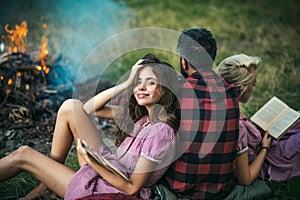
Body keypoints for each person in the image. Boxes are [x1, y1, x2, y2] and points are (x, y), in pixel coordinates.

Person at [0, 54, 180, 199]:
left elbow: (131, 188)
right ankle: (48, 186)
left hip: (108, 189)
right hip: (108, 169)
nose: (141, 87)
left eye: (150, 82)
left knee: (23, 154)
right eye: (138, 82)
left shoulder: (160, 132)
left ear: (165, 88)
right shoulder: (142, 119)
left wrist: (93, 162)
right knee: (71, 107)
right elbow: (89, 108)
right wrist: (126, 83)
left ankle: (50, 184)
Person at [159, 28, 240, 199]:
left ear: (184, 62)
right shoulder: (232, 90)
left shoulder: (177, 90)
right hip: (222, 188)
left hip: (180, 186)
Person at [216, 53, 300, 198]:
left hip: (259, 142)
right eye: (253, 84)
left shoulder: (220, 104)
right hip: (266, 159)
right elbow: (246, 179)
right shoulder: (237, 127)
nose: (254, 88)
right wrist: (265, 147)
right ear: (241, 88)